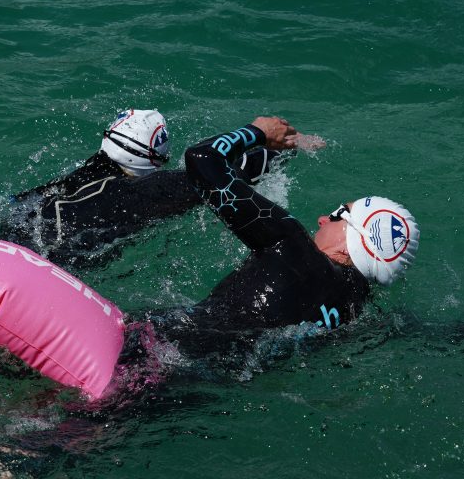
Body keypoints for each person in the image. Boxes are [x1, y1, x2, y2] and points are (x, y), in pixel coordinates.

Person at [146, 117, 419, 353]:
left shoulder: (292, 248)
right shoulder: (354, 310)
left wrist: (257, 132)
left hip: (157, 348)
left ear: (355, 244)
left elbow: (202, 160)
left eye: (338, 214)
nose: (323, 219)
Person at [0, 109, 285, 268]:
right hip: (40, 269)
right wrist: (274, 142)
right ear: (154, 163)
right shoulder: (142, 193)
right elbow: (222, 171)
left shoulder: (62, 183)